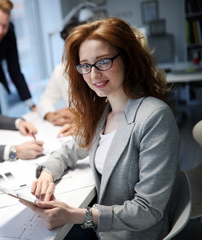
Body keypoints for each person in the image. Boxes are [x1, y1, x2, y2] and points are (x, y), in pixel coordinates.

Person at [21, 18, 181, 240]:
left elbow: (147, 210)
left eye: (103, 62)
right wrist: (47, 175)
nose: (93, 75)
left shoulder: (154, 117)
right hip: (106, 228)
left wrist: (77, 215)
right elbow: (70, 150)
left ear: (127, 58)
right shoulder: (104, 111)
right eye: (85, 65)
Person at [37, 21, 82, 138]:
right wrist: (52, 115)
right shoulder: (61, 70)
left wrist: (80, 118)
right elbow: (44, 101)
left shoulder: (98, 69)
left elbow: (110, 108)